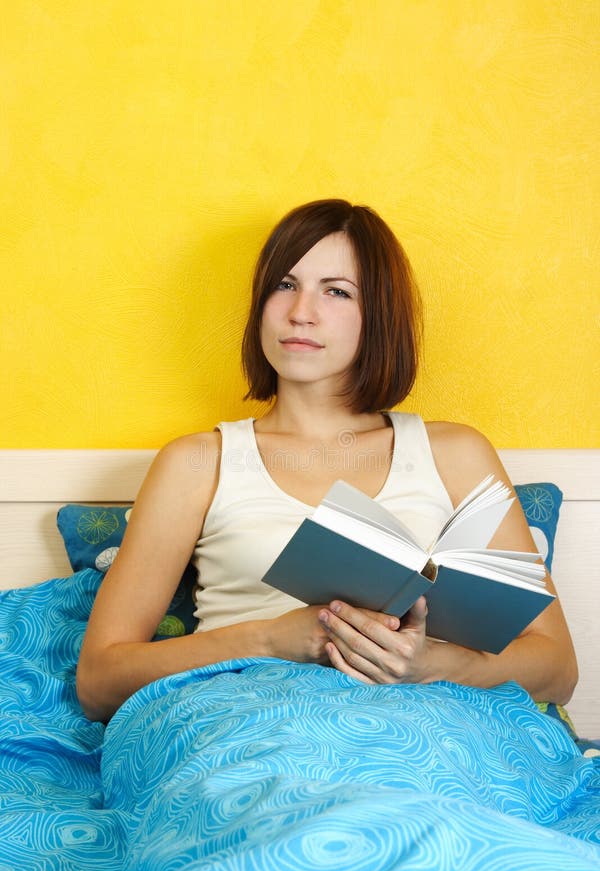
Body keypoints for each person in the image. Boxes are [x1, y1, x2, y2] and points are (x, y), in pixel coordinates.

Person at [76, 199, 578, 722]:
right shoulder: (197, 463)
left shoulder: (456, 454)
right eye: (284, 284)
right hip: (247, 727)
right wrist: (271, 639)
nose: (301, 311)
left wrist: (427, 664)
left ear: (378, 315)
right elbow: (98, 682)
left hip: (428, 732)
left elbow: (559, 669)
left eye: (336, 291)